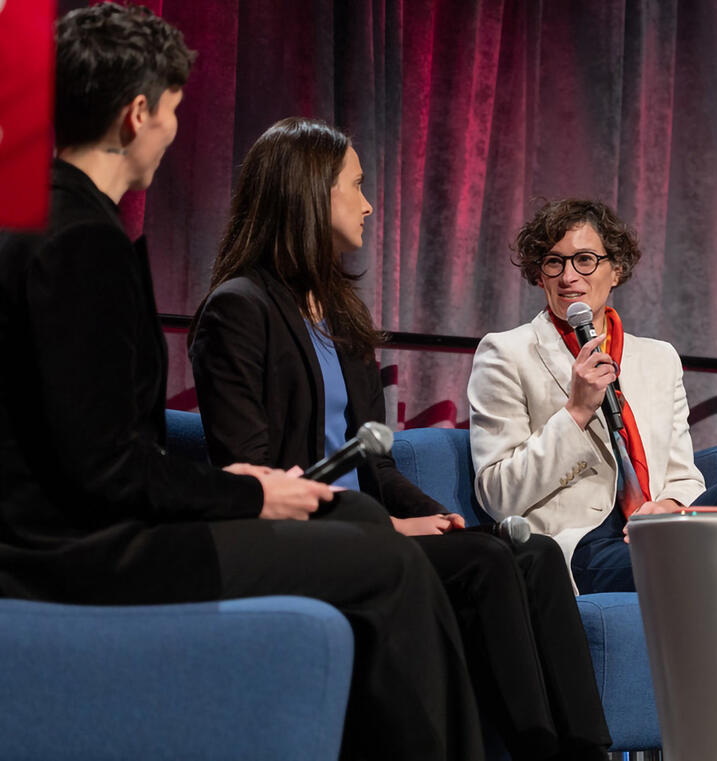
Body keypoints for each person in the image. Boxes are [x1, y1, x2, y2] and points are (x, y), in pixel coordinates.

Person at [0, 7, 483, 760]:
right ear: (136, 114)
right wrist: (255, 493)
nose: (174, 130)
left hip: (70, 533)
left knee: (354, 524)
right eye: (173, 111)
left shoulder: (41, 218)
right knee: (387, 565)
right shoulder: (80, 240)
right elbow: (103, 468)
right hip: (74, 554)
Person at [189, 117, 611, 761]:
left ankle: (587, 749)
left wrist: (432, 516)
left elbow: (375, 463)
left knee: (535, 556)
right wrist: (383, 530)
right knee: (488, 562)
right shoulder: (238, 310)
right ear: (308, 194)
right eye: (355, 186)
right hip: (298, 540)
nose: (367, 203)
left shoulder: (340, 316)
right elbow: (259, 476)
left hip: (365, 530)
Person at [467, 199, 717, 595]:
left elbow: (682, 473)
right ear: (538, 275)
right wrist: (575, 412)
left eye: (585, 260)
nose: (568, 276)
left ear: (616, 269)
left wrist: (671, 506)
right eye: (553, 262)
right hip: (587, 542)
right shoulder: (506, 353)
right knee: (703, 562)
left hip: (657, 527)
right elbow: (498, 494)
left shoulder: (658, 358)